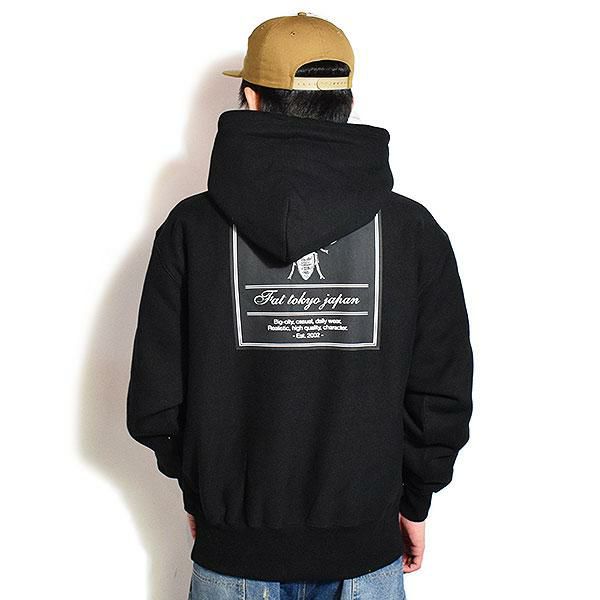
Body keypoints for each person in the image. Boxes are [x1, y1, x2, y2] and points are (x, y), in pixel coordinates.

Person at [126, 12, 473, 600]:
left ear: (251, 99)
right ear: (346, 103)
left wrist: (209, 497)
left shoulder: (191, 229)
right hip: (366, 554)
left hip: (233, 554)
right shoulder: (413, 232)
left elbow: (157, 399)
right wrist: (415, 500)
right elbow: (440, 392)